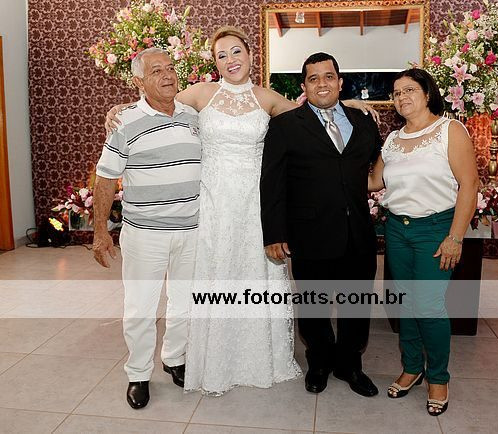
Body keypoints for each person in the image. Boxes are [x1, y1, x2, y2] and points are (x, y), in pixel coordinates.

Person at [104, 27, 379, 396]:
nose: (231, 60)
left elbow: (313, 110)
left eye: (236, 52)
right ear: (215, 63)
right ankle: (209, 356)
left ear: (251, 56)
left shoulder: (268, 98)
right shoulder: (200, 93)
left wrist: (353, 104)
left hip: (254, 204)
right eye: (222, 55)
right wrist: (120, 108)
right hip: (214, 204)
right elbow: (158, 100)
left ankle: (262, 354)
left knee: (255, 277)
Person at [261, 52, 383, 397]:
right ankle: (319, 361)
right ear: (304, 86)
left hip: (358, 233)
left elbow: (382, 162)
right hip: (309, 234)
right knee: (313, 305)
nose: (322, 84)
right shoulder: (285, 126)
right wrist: (274, 234)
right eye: (313, 78)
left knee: (357, 304)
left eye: (329, 76)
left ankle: (350, 364)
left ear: (340, 82)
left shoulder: (363, 122)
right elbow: (272, 183)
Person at [92, 47, 202, 409]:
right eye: (156, 71)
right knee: (141, 307)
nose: (168, 75)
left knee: (184, 301)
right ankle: (138, 374)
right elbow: (105, 178)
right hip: (145, 235)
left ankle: (175, 358)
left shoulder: (193, 116)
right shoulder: (124, 122)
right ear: (139, 82)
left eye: (170, 68)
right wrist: (100, 231)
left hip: (192, 230)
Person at [368, 68, 478, 415]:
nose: (401, 97)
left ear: (427, 93)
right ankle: (412, 367)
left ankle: (438, 377)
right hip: (397, 230)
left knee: (429, 306)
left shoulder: (449, 130)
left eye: (409, 90)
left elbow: (470, 185)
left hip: (436, 228)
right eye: (396, 92)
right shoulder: (392, 139)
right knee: (406, 303)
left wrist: (455, 237)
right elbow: (373, 181)